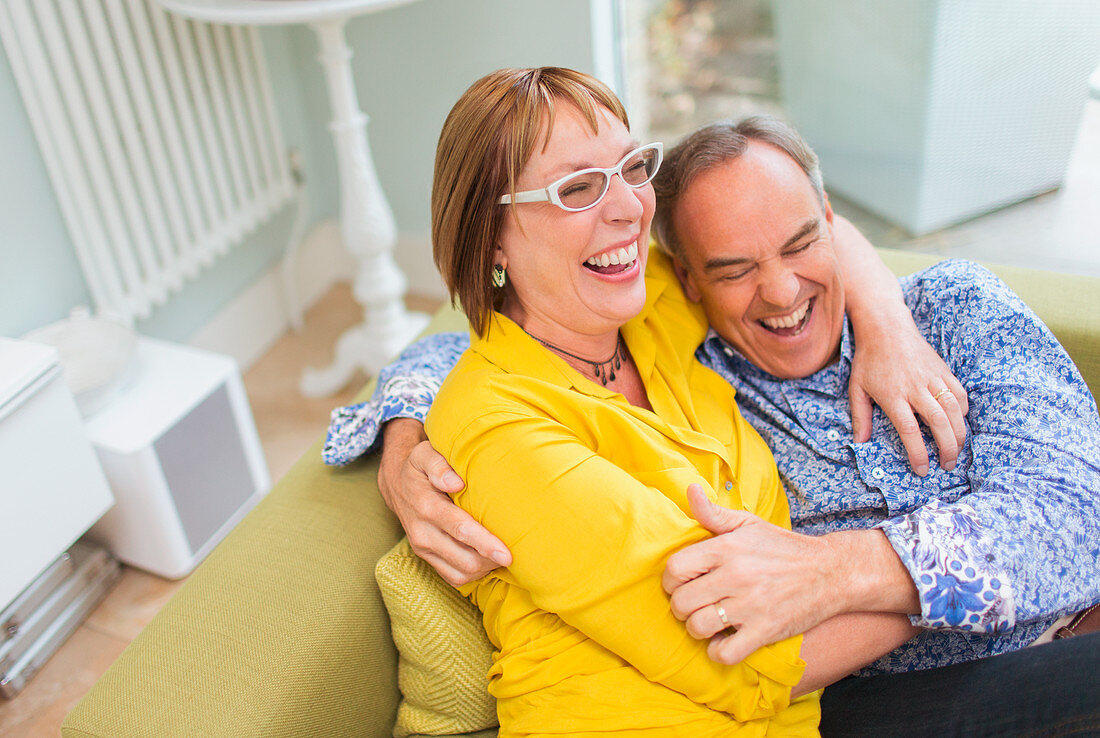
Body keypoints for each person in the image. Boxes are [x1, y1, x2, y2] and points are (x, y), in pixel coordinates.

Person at [326, 114, 1100, 734]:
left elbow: (1079, 525)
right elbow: (475, 342)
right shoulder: (697, 364)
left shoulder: (954, 311)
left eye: (803, 244)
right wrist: (404, 436)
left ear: (834, 226)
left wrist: (888, 319)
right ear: (686, 281)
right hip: (883, 699)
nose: (780, 291)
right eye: (732, 270)